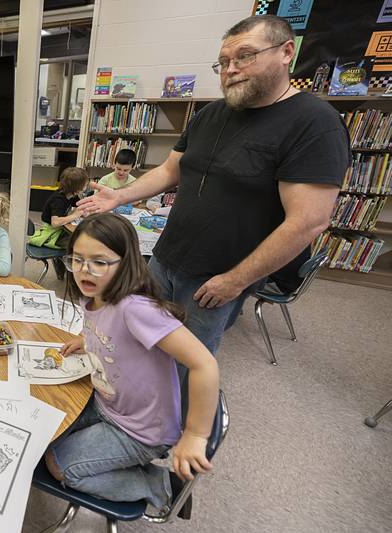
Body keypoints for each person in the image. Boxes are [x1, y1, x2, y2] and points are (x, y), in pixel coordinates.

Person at [77, 14, 350, 355]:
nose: (231, 68)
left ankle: (178, 411)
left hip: (217, 277)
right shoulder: (209, 114)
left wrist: (236, 280)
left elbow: (308, 221)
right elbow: (169, 171)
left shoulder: (315, 123)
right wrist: (120, 195)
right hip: (166, 257)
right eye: (223, 62)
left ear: (286, 53)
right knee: (139, 336)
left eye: (245, 56)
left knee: (187, 359)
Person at [44, 213, 219, 512]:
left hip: (142, 430)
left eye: (99, 262)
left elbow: (205, 364)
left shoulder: (136, 309)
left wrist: (195, 435)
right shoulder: (95, 295)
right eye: (77, 259)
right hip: (107, 403)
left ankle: (160, 486)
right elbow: (108, 333)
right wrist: (84, 340)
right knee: (42, 432)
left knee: (61, 467)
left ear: (126, 263)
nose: (85, 270)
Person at [34, 166, 89, 279]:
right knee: (77, 245)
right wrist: (74, 215)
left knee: (78, 240)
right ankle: (64, 268)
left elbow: (79, 205)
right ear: (77, 187)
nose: (86, 186)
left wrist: (87, 210)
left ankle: (63, 263)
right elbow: (55, 222)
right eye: (84, 184)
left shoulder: (71, 195)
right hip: (51, 233)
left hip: (60, 230)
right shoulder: (58, 200)